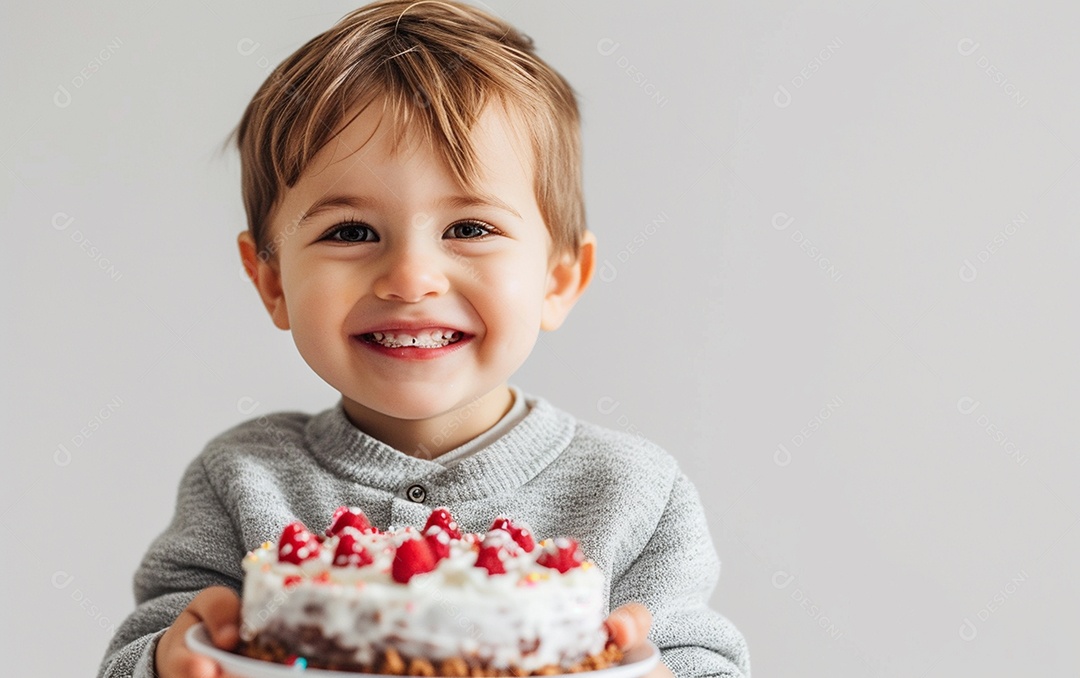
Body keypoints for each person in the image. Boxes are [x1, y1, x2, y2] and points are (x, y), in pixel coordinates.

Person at [97, 1, 750, 676]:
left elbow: (703, 660)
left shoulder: (632, 493)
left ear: (559, 278)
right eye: (350, 232)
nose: (410, 279)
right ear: (272, 282)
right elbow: (144, 649)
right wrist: (170, 660)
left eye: (469, 229)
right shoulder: (241, 482)